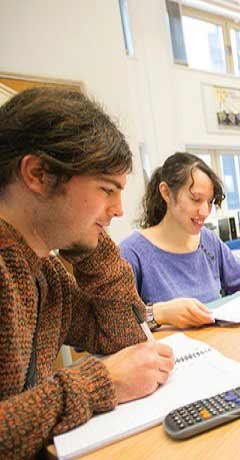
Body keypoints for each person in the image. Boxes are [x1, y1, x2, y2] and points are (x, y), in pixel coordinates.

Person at [0, 87, 174, 458]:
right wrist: (101, 382)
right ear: (38, 173)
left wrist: (91, 250)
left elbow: (125, 336)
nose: (118, 209)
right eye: (106, 189)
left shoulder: (47, 272)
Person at [120, 153, 240, 329]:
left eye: (209, 202)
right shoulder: (132, 252)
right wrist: (159, 313)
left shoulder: (208, 240)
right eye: (195, 199)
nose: (205, 211)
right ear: (166, 193)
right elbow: (115, 324)